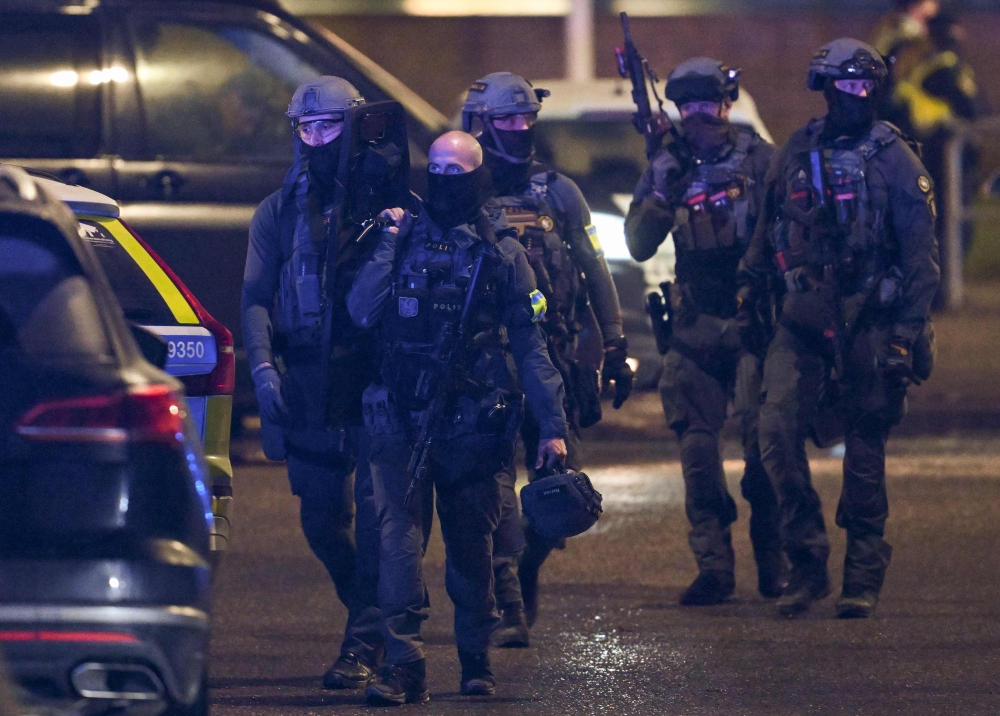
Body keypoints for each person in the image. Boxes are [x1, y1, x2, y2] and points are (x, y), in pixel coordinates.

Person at [348, 131, 568, 705]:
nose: (445, 182)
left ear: (476, 177)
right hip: (400, 418)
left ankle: (476, 658)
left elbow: (530, 345)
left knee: (473, 548)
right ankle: (405, 664)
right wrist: (387, 244)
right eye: (437, 169)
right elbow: (360, 309)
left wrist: (553, 427)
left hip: (473, 425)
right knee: (397, 545)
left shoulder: (502, 253)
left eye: (456, 171)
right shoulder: (400, 238)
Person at [740, 39, 939, 619]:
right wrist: (749, 289)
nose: (857, 96)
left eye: (865, 86)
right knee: (774, 433)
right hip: (800, 322)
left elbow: (921, 260)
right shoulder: (796, 151)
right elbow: (765, 231)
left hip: (869, 323)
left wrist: (904, 335)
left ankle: (863, 573)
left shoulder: (896, 160)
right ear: (825, 88)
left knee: (864, 451)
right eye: (846, 85)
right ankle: (806, 563)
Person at [461, 72, 632, 643]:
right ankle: (508, 598)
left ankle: (525, 569)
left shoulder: (558, 192)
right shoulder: (460, 190)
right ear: (481, 124)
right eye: (508, 119)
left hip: (550, 360)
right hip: (483, 368)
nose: (521, 129)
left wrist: (613, 341)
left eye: (528, 118)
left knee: (560, 490)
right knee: (489, 489)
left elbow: (593, 266)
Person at [241, 76, 398, 690]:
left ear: (356, 126)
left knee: (383, 518)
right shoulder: (278, 211)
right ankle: (377, 615)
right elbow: (255, 297)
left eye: (328, 126)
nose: (315, 138)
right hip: (306, 378)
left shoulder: (391, 202)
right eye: (305, 128)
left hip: (371, 378)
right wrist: (261, 367)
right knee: (322, 524)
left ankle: (363, 646)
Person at [623, 58, 782, 606]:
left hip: (753, 322)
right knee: (697, 453)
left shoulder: (762, 160)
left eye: (706, 106)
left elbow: (792, 233)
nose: (697, 118)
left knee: (765, 456)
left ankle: (775, 561)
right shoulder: (670, 164)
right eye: (686, 107)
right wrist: (663, 188)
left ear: (726, 105)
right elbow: (639, 243)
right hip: (693, 327)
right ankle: (714, 566)